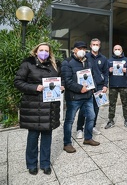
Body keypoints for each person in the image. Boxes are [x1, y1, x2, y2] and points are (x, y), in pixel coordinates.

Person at [14, 42, 64, 175]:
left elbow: (61, 79)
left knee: (47, 136)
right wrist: (34, 87)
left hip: (50, 106)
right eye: (41, 50)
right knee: (33, 137)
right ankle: (31, 164)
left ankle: (45, 164)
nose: (44, 53)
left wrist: (61, 87)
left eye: (46, 51)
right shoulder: (28, 64)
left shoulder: (55, 64)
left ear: (50, 52)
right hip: (34, 106)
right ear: (36, 51)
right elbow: (18, 82)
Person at [62, 41, 100, 153]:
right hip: (74, 98)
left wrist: (94, 87)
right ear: (74, 50)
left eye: (84, 48)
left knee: (91, 116)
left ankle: (88, 138)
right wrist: (79, 88)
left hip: (87, 96)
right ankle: (67, 143)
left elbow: (92, 76)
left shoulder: (87, 61)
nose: (82, 50)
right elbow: (67, 81)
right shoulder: (67, 62)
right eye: (79, 48)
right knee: (70, 120)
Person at [76, 38, 108, 138]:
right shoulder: (85, 56)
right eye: (93, 44)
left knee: (96, 108)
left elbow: (106, 73)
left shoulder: (103, 58)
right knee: (83, 108)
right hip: (87, 86)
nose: (95, 46)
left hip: (99, 85)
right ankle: (79, 129)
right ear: (90, 46)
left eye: (97, 44)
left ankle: (92, 126)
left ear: (99, 46)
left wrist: (105, 85)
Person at [105, 44, 127, 129]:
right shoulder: (109, 61)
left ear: (121, 50)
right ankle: (110, 120)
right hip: (113, 86)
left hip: (124, 85)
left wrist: (126, 70)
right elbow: (105, 73)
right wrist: (109, 71)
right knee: (112, 104)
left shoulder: (126, 60)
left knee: (125, 104)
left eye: (118, 49)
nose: (117, 50)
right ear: (113, 50)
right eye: (115, 49)